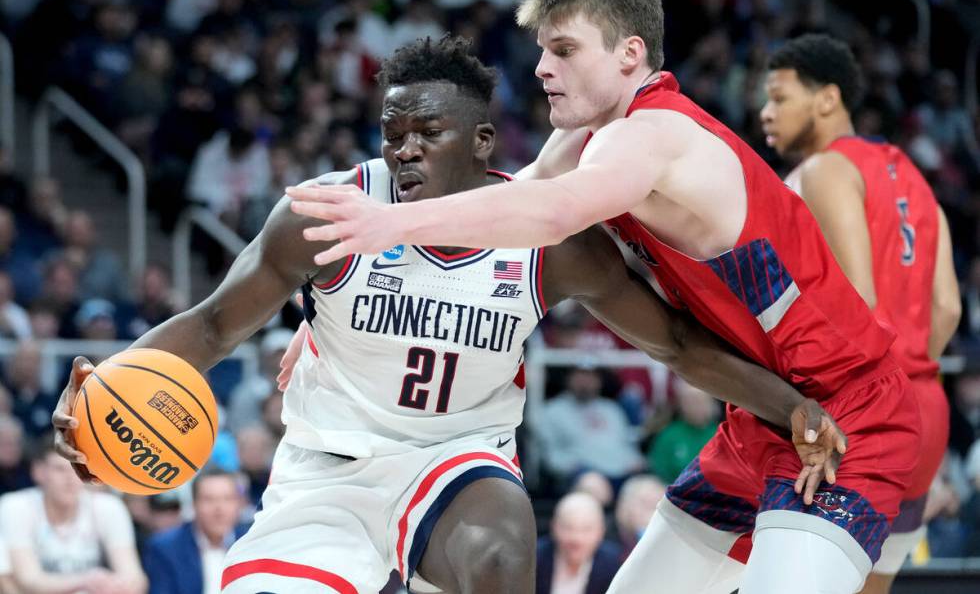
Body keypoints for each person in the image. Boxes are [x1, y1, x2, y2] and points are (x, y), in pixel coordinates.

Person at [55, 37, 839, 594]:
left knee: (503, 548)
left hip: (455, 460)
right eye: (394, 134)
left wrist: (791, 403)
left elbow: (672, 340)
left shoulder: (549, 243)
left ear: (482, 142)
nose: (406, 151)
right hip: (328, 466)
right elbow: (216, 323)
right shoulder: (328, 215)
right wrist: (102, 391)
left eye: (429, 133)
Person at [286, 0, 921, 594]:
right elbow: (487, 227)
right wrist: (333, 320)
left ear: (629, 54)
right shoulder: (589, 139)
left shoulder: (656, 135)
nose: (541, 69)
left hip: (850, 411)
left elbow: (546, 216)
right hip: (764, 411)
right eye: (541, 51)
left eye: (563, 50)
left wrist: (390, 225)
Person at [760, 33, 962, 593]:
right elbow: (947, 307)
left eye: (779, 98)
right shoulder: (916, 176)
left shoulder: (822, 170)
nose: (765, 113)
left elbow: (857, 304)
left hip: (855, 412)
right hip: (925, 411)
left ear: (827, 99)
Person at [0, 435, 147, 594]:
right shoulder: (16, 506)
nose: (70, 479)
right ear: (38, 472)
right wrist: (88, 580)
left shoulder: (109, 507)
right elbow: (28, 580)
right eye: (59, 469)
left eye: (77, 469)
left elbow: (135, 579)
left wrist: (119, 586)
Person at [142, 469, 249, 594]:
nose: (219, 509)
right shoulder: (165, 548)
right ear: (193, 504)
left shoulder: (252, 544)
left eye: (227, 499)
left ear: (239, 504)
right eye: (209, 499)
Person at [535, 492, 620, 594]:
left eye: (586, 529)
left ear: (601, 531)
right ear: (554, 527)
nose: (576, 538)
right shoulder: (534, 558)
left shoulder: (614, 564)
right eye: (568, 528)